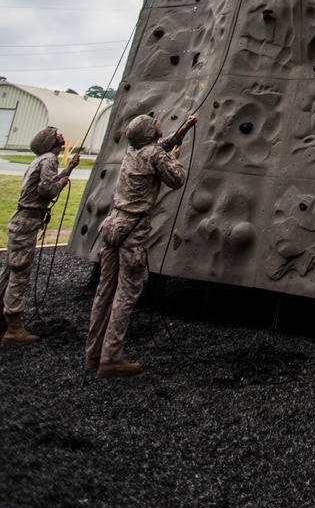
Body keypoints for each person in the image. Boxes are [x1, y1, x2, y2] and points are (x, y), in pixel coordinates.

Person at [85, 112, 194, 377]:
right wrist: (174, 160)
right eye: (154, 123)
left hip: (113, 225)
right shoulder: (156, 156)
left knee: (104, 292)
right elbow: (176, 179)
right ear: (149, 131)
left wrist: (186, 128)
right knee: (126, 292)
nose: (158, 124)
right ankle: (111, 358)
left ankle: (93, 355)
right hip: (133, 230)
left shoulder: (133, 152)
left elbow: (160, 146)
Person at [1, 127, 81, 344]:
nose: (62, 134)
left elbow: (46, 182)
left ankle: (3, 316)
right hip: (27, 222)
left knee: (9, 270)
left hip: (23, 220)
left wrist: (69, 169)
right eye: (57, 133)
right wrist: (62, 183)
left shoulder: (43, 160)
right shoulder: (49, 159)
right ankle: (14, 326)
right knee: (19, 274)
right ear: (50, 141)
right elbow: (47, 189)